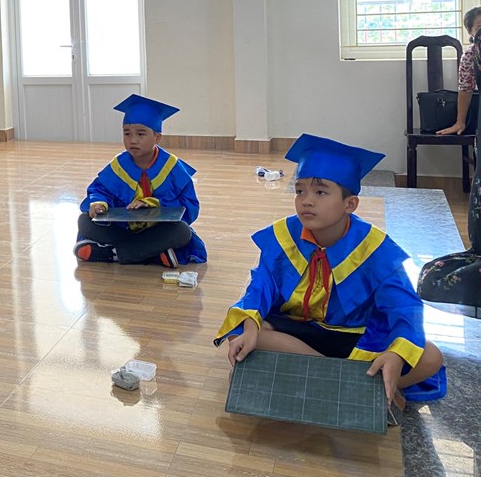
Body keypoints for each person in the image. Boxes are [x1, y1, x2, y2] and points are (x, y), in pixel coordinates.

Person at [214, 134, 446, 409]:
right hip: (300, 331)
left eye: (320, 192)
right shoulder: (283, 236)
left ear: (350, 204)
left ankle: (323, 382)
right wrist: (251, 327)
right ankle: (346, 385)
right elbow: (260, 285)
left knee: (429, 356)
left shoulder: (374, 248)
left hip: (357, 335)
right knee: (244, 331)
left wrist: (396, 355)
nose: (306, 201)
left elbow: (405, 307)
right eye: (300, 191)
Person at [74, 94, 207, 266]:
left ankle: (112, 253)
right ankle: (151, 253)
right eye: (127, 133)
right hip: (123, 229)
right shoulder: (119, 165)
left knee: (182, 232)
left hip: (156, 231)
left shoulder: (173, 168)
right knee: (85, 221)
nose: (133, 140)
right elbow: (99, 190)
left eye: (141, 134)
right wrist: (99, 203)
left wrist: (155, 205)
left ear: (157, 138)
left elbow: (190, 207)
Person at [436, 5, 481, 134]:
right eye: (479, 28)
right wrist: (460, 122)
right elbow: (465, 88)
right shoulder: (470, 55)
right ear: (471, 32)